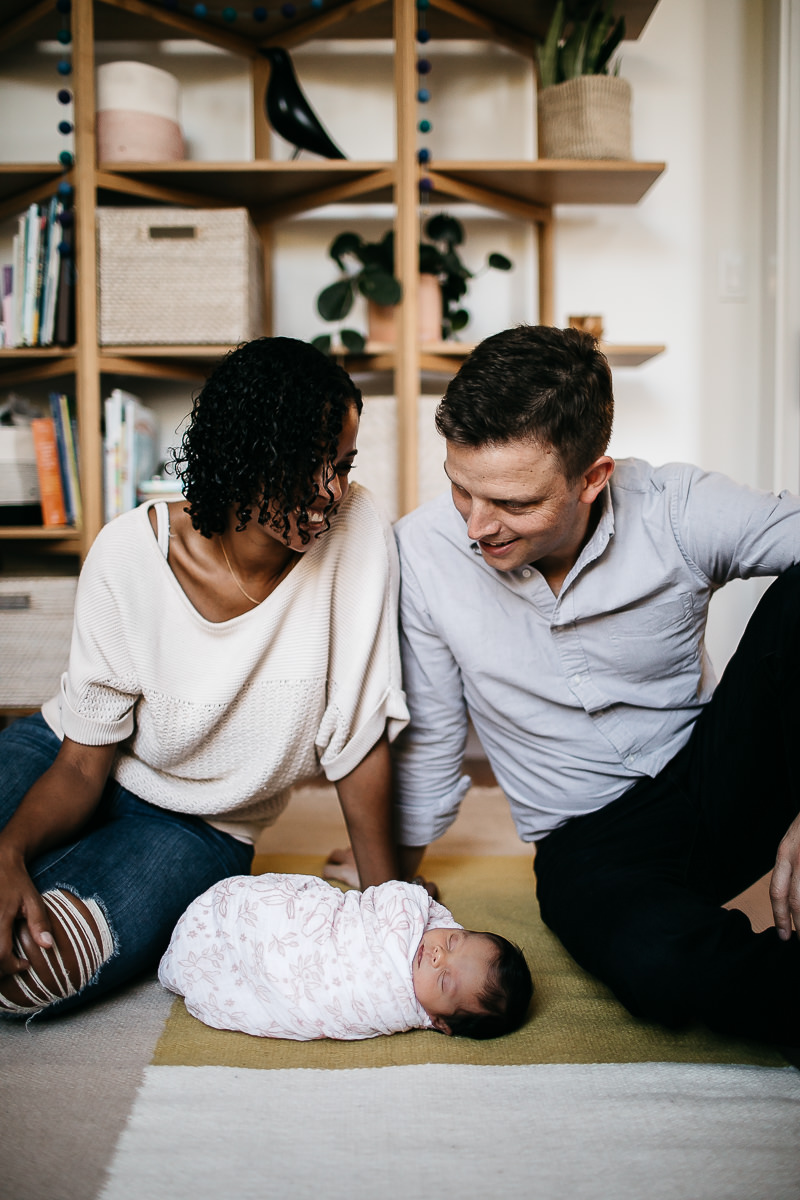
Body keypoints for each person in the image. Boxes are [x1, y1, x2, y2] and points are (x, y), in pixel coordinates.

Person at [378, 322, 800, 1051]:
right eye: (460, 488)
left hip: (719, 772)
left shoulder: (676, 507)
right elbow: (434, 738)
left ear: (592, 477)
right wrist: (389, 889)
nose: (478, 527)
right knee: (660, 970)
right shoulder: (422, 552)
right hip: (590, 844)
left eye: (512, 503)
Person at [0, 336, 409, 1019]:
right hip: (67, 757)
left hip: (202, 827)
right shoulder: (129, 554)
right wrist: (9, 849)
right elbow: (79, 767)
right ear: (240, 455)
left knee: (30, 971)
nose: (329, 492)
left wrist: (386, 911)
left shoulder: (359, 531)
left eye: (343, 466)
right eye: (310, 466)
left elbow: (358, 740)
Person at [158, 872, 533, 1041]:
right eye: (452, 941)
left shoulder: (386, 1000)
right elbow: (376, 904)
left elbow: (323, 999)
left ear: (441, 1022)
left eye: (445, 980)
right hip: (279, 917)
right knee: (265, 909)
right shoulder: (415, 916)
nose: (437, 956)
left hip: (286, 965)